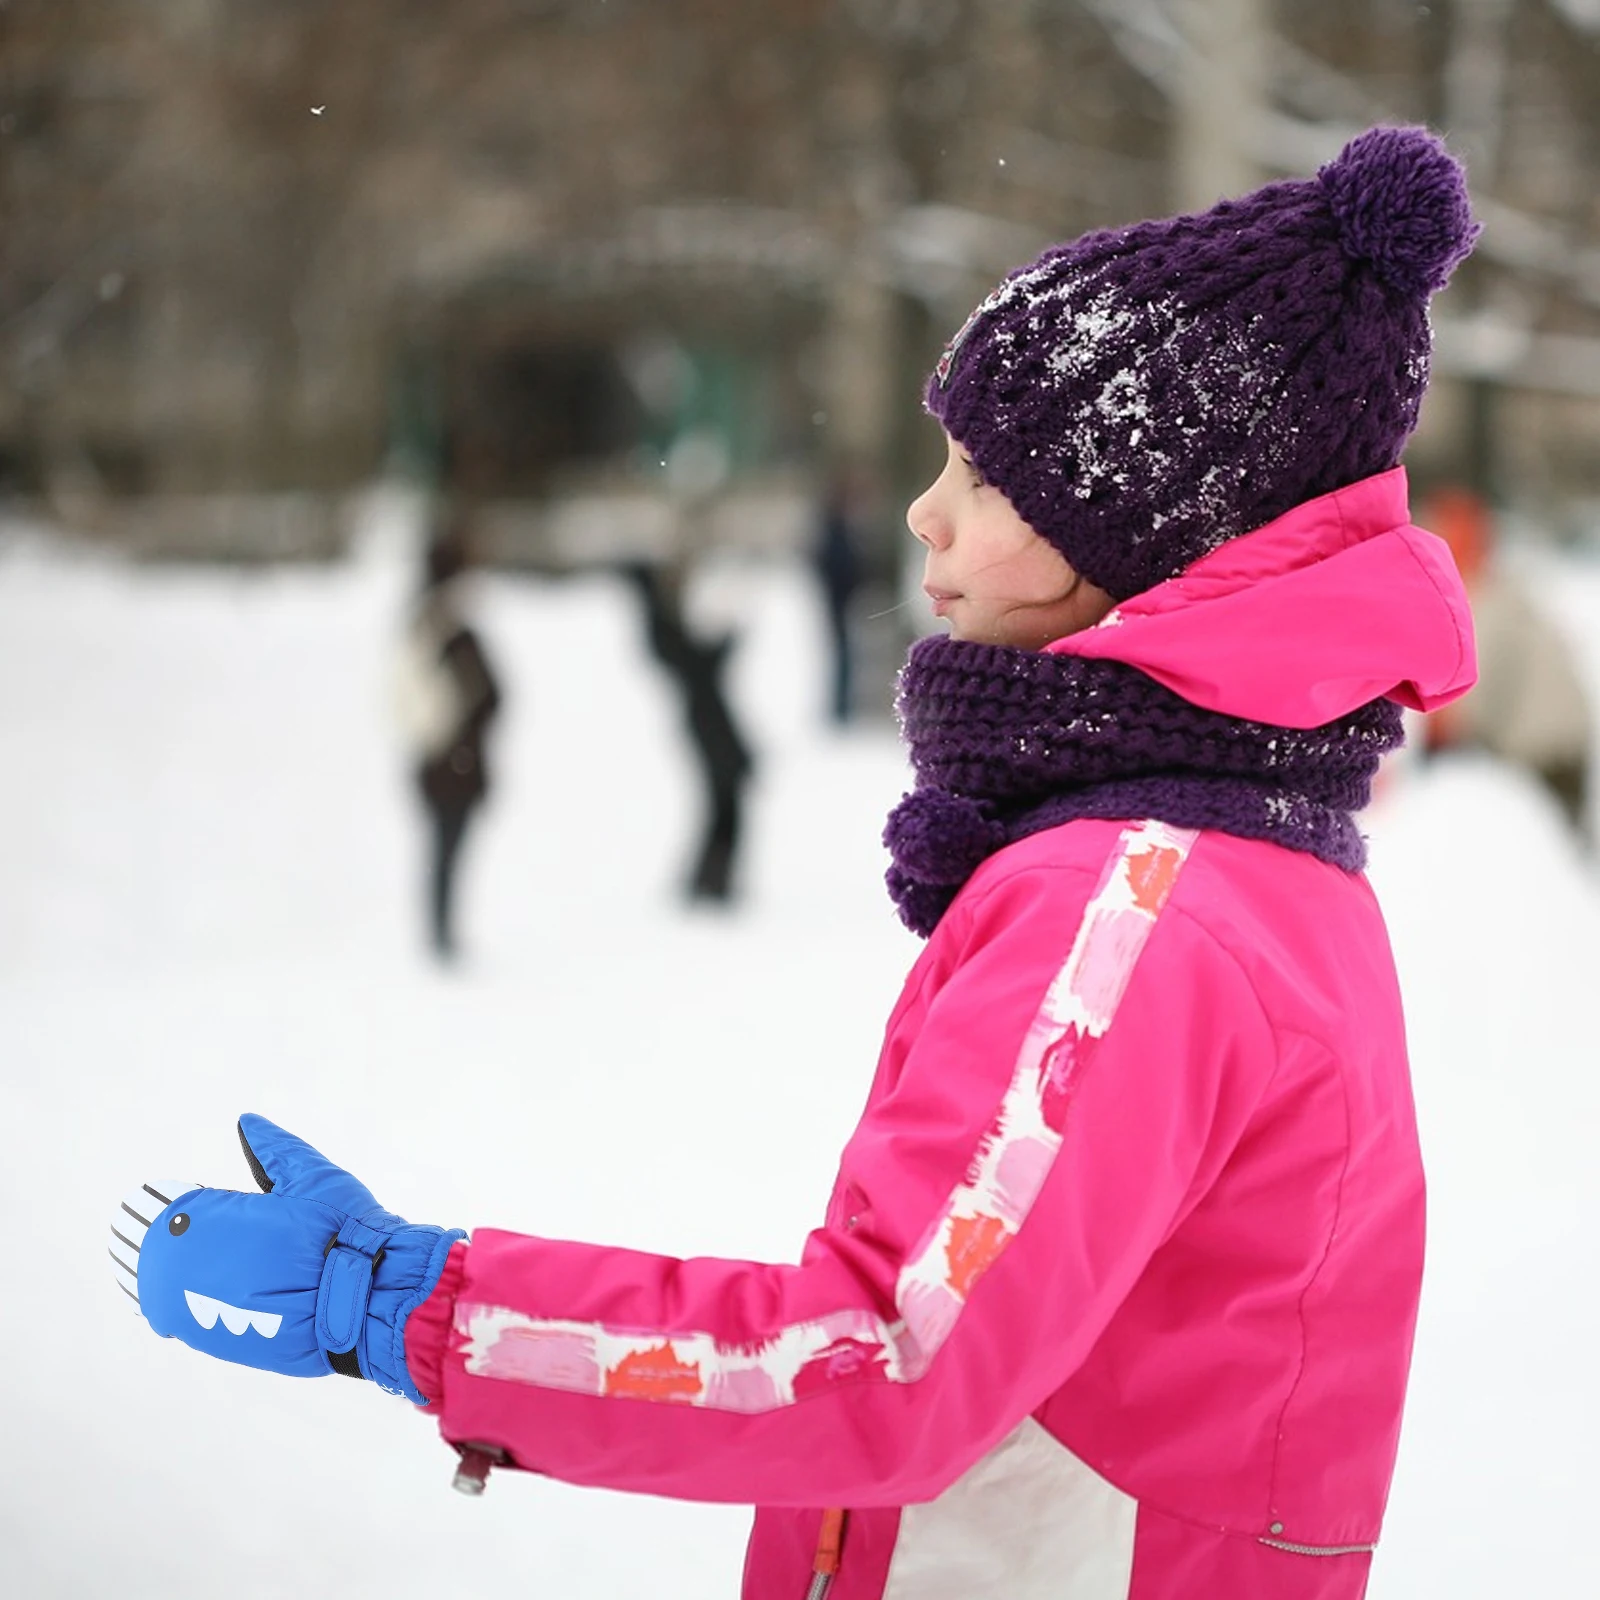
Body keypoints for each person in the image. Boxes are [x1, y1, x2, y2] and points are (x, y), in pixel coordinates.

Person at [115, 126, 1479, 1598]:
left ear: (1148, 542)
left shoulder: (1136, 908)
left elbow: (877, 1364)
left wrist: (408, 1306)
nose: (925, 511)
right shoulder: (1253, 861)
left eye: (987, 476)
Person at [1420, 485, 1593, 849]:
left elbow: (1472, 684)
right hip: (1564, 732)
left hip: (1544, 743)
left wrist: (1441, 741)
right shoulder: (1501, 589)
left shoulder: (1483, 601)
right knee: (1560, 845)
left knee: (1548, 853)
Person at [393, 519, 502, 959]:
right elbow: (479, 696)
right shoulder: (444, 630)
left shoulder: (429, 624)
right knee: (445, 848)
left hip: (448, 759)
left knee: (446, 848)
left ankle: (442, 930)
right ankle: (440, 934)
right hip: (449, 759)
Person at [622, 560, 755, 903]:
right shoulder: (662, 628)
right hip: (706, 722)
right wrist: (727, 643)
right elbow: (700, 664)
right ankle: (710, 880)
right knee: (723, 802)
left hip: (707, 720)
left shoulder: (662, 626)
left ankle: (711, 878)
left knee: (723, 802)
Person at [812, 467, 869, 724]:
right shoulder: (833, 528)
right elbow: (832, 564)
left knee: (844, 654)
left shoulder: (836, 526)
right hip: (838, 599)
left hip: (841, 598)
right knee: (842, 654)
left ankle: (842, 707)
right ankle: (840, 709)